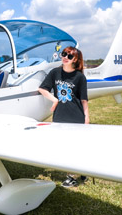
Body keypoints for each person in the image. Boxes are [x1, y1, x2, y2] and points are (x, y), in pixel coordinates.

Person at [38, 46, 90, 188]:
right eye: (64, 54)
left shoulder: (80, 77)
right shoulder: (55, 73)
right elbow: (42, 89)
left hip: (76, 116)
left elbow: (84, 100)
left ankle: (72, 177)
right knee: (63, 147)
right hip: (60, 115)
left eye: (69, 56)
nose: (65, 57)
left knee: (74, 147)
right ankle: (80, 170)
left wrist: (86, 117)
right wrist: (54, 100)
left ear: (75, 60)